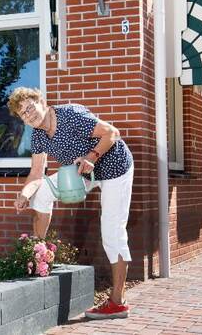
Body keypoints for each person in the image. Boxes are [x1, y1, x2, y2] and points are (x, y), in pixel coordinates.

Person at [8, 87, 134, 320]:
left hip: (115, 168)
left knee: (112, 232)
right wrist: (24, 195)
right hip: (83, 172)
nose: (29, 115)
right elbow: (36, 174)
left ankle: (118, 302)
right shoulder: (38, 136)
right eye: (23, 114)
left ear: (42, 102)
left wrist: (91, 157)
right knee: (41, 193)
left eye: (30, 107)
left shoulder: (70, 115)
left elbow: (112, 133)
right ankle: (39, 255)